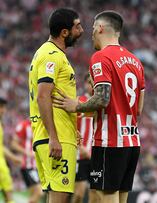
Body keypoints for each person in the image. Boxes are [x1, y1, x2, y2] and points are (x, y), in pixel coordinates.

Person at [53, 10, 145, 203]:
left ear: (101, 28)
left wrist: (76, 105)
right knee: (119, 198)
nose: (91, 33)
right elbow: (138, 109)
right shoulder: (136, 62)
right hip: (132, 141)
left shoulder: (101, 57)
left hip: (109, 142)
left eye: (94, 29)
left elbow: (102, 99)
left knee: (106, 198)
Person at [28, 8, 83, 203]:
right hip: (54, 138)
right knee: (59, 198)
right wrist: (54, 137)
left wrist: (70, 127)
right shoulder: (51, 55)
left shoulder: (50, 53)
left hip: (58, 135)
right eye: (77, 26)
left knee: (59, 196)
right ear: (64, 32)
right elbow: (43, 97)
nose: (82, 30)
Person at [71, 74, 94, 203]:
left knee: (96, 193)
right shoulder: (79, 102)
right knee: (79, 194)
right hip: (81, 155)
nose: (92, 85)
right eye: (89, 82)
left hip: (96, 155)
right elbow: (70, 128)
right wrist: (80, 147)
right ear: (85, 84)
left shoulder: (103, 103)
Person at [11, 119, 43, 203]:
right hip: (28, 166)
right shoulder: (24, 125)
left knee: (34, 194)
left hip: (38, 166)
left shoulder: (42, 125)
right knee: (39, 192)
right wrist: (27, 152)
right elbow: (13, 144)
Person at [0, 97, 22, 203]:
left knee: (8, 197)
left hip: (2, 165)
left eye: (4, 107)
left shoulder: (1, 124)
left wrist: (13, 158)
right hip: (1, 167)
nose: (3, 110)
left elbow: (1, 147)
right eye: (1, 107)